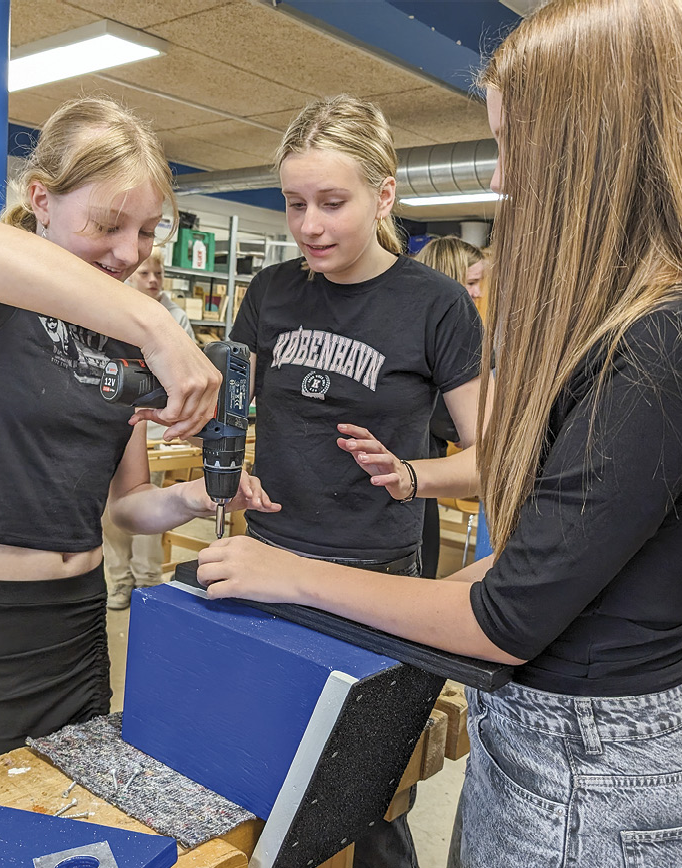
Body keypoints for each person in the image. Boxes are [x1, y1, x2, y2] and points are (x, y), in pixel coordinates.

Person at [197, 1, 682, 866]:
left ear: (591, 141)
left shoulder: (669, 338)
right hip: (546, 752)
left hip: (593, 780)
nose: (505, 175)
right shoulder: (631, 327)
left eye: (516, 143)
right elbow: (542, 561)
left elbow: (504, 615)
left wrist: (291, 573)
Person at [0, 96, 278, 782]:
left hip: (77, 627)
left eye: (147, 231)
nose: (129, 253)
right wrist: (157, 323)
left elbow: (125, 503)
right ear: (41, 200)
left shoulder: (119, 337)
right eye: (107, 224)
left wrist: (190, 497)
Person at [226, 94, 485, 868]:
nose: (309, 224)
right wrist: (217, 451)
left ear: (384, 195)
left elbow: (492, 456)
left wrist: (410, 474)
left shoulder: (436, 304)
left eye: (332, 203)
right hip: (265, 557)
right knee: (263, 773)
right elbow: (231, 406)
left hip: (372, 573)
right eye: (295, 203)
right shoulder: (270, 292)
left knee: (363, 798)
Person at [103, 246, 195, 610]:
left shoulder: (176, 319)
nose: (154, 280)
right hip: (114, 427)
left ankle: (146, 582)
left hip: (156, 436)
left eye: (158, 273)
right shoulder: (109, 314)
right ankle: (120, 581)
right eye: (145, 274)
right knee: (111, 515)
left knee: (146, 509)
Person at [413, 237, 487, 577]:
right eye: (470, 283)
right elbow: (458, 425)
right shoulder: (437, 339)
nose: (477, 294)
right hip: (416, 473)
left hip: (422, 473)